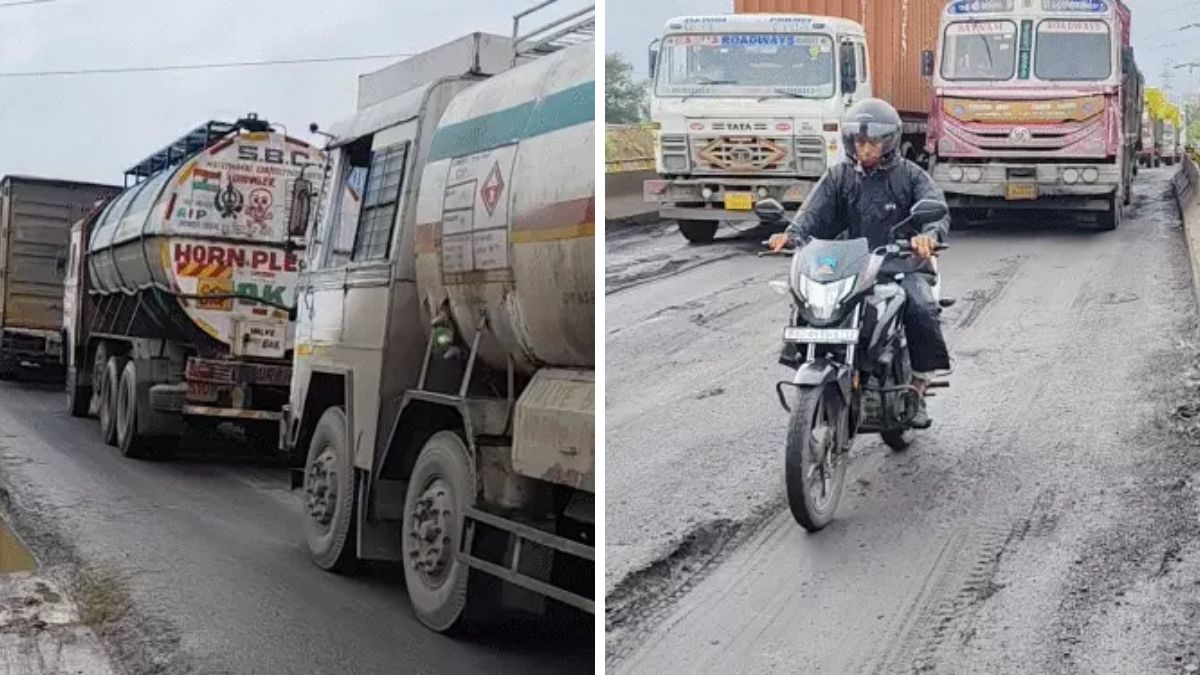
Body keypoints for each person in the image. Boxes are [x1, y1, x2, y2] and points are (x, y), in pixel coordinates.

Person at [767, 97, 950, 428]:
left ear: (889, 141)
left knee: (920, 306)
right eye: (859, 141)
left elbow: (934, 209)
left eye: (873, 141)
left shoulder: (910, 175)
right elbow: (812, 213)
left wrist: (928, 236)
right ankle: (815, 367)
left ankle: (919, 385)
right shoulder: (839, 177)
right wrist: (791, 234)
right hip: (852, 264)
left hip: (900, 264)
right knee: (810, 300)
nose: (865, 148)